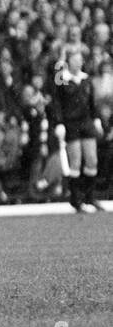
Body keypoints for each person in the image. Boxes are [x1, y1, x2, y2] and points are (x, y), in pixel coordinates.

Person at [48, 47, 103, 212]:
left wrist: (97, 119)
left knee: (92, 159)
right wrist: (59, 122)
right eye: (74, 59)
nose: (77, 62)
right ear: (68, 62)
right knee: (76, 161)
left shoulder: (86, 79)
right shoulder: (63, 79)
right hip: (71, 123)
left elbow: (92, 102)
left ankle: (89, 196)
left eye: (80, 60)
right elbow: (56, 101)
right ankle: (75, 199)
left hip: (86, 122)